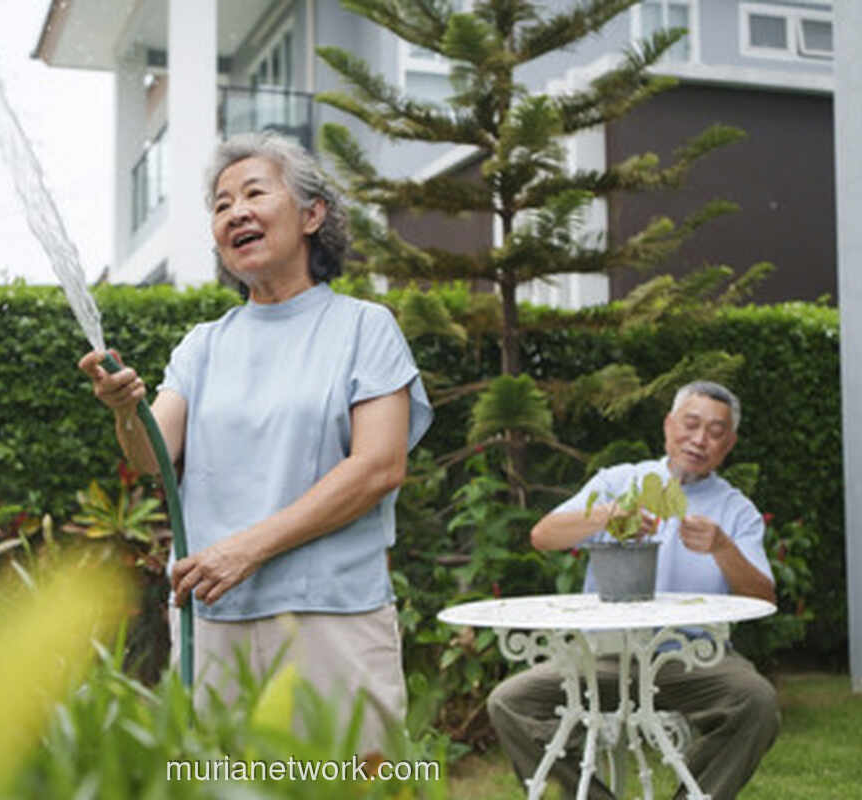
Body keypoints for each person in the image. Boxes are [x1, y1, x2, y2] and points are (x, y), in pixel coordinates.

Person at [78, 132, 432, 750]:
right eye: (220, 204)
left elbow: (379, 467)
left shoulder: (363, 328)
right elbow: (150, 456)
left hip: (332, 616)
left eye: (254, 193)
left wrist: (247, 550)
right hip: (215, 619)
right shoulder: (202, 345)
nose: (234, 211)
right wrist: (122, 410)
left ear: (312, 215)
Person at [486, 381, 779, 800]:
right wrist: (606, 516)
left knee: (757, 702)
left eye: (715, 432)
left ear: (729, 443)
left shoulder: (736, 511)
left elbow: (763, 597)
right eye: (690, 424)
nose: (699, 440)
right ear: (668, 426)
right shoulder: (620, 482)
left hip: (691, 659)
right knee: (509, 702)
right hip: (603, 656)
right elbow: (543, 535)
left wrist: (722, 547)